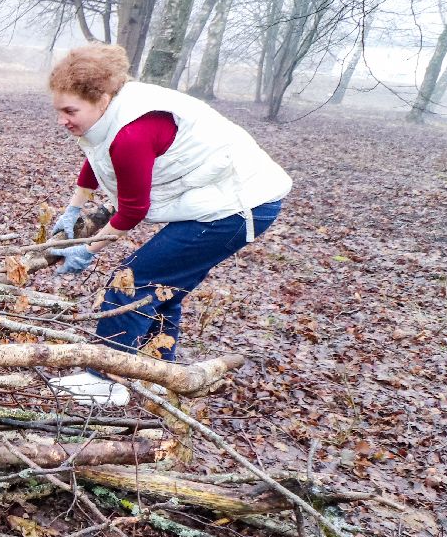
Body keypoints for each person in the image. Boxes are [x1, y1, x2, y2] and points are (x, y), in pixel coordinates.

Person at [43, 43, 292, 405]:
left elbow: (132, 211)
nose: (62, 120)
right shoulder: (112, 113)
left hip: (239, 206)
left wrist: (86, 250)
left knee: (132, 281)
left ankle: (103, 381)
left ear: (102, 98)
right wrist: (72, 209)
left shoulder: (132, 132)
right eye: (58, 110)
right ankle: (160, 372)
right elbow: (97, 156)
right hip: (227, 199)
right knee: (163, 288)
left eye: (70, 111)